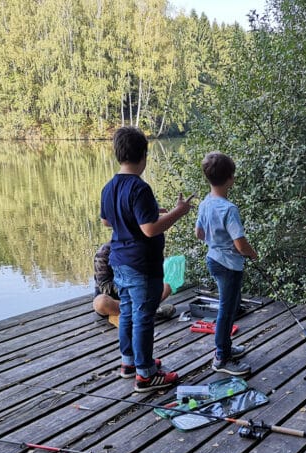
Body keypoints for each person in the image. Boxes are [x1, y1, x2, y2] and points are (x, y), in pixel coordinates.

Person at [100, 126, 194, 393]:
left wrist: (152, 212)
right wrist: (179, 212)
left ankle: (129, 363)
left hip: (119, 261)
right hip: (142, 265)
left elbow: (108, 220)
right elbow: (150, 229)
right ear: (143, 155)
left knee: (128, 311)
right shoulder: (139, 187)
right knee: (143, 316)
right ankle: (146, 374)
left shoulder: (110, 186)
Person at [195, 152, 258, 376]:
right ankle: (221, 357)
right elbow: (240, 244)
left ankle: (227, 347)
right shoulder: (229, 209)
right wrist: (252, 254)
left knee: (228, 306)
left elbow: (199, 233)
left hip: (213, 259)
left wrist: (215, 242)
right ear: (230, 178)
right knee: (227, 310)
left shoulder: (205, 203)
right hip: (229, 265)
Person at [92, 242, 175, 326]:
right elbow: (104, 286)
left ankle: (135, 315)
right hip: (115, 300)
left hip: (138, 296)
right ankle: (147, 313)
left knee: (166, 287)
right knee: (100, 303)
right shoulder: (104, 252)